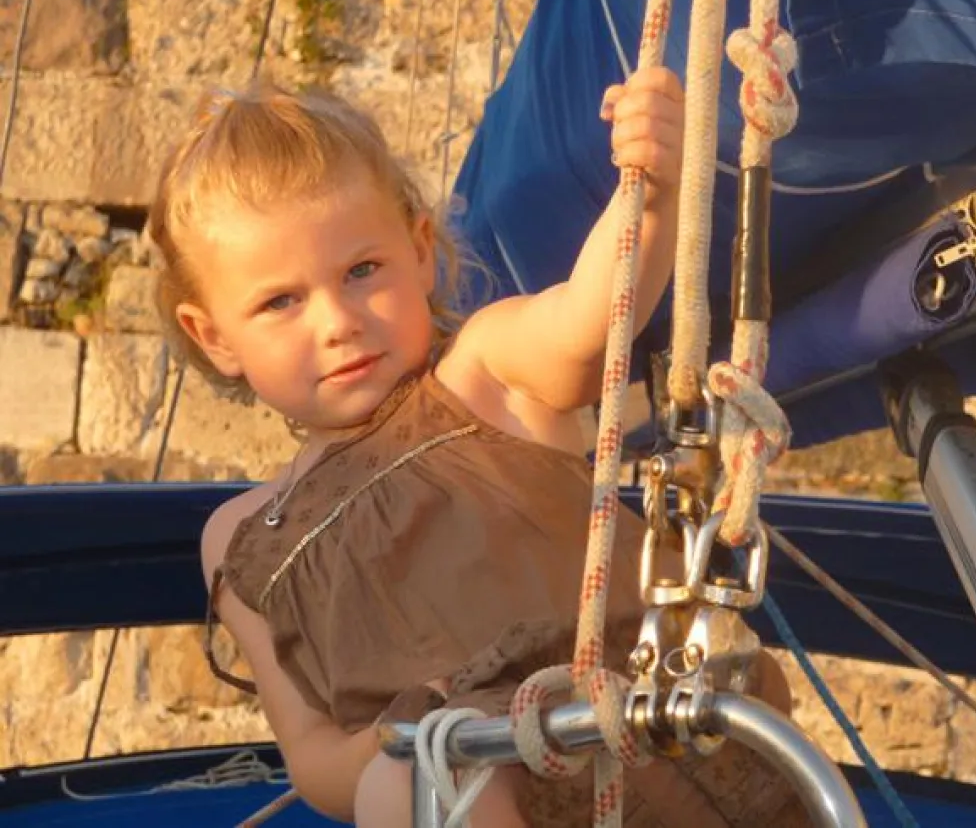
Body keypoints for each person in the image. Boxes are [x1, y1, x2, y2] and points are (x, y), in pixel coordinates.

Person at [150, 70, 806, 827]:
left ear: (420, 251)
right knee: (402, 785)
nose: (337, 322)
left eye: (362, 271)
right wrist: (422, 732)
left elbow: (588, 325)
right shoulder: (242, 541)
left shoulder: (487, 376)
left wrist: (651, 193)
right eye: (280, 301)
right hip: (475, 780)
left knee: (412, 785)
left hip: (641, 742)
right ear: (213, 336)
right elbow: (314, 755)